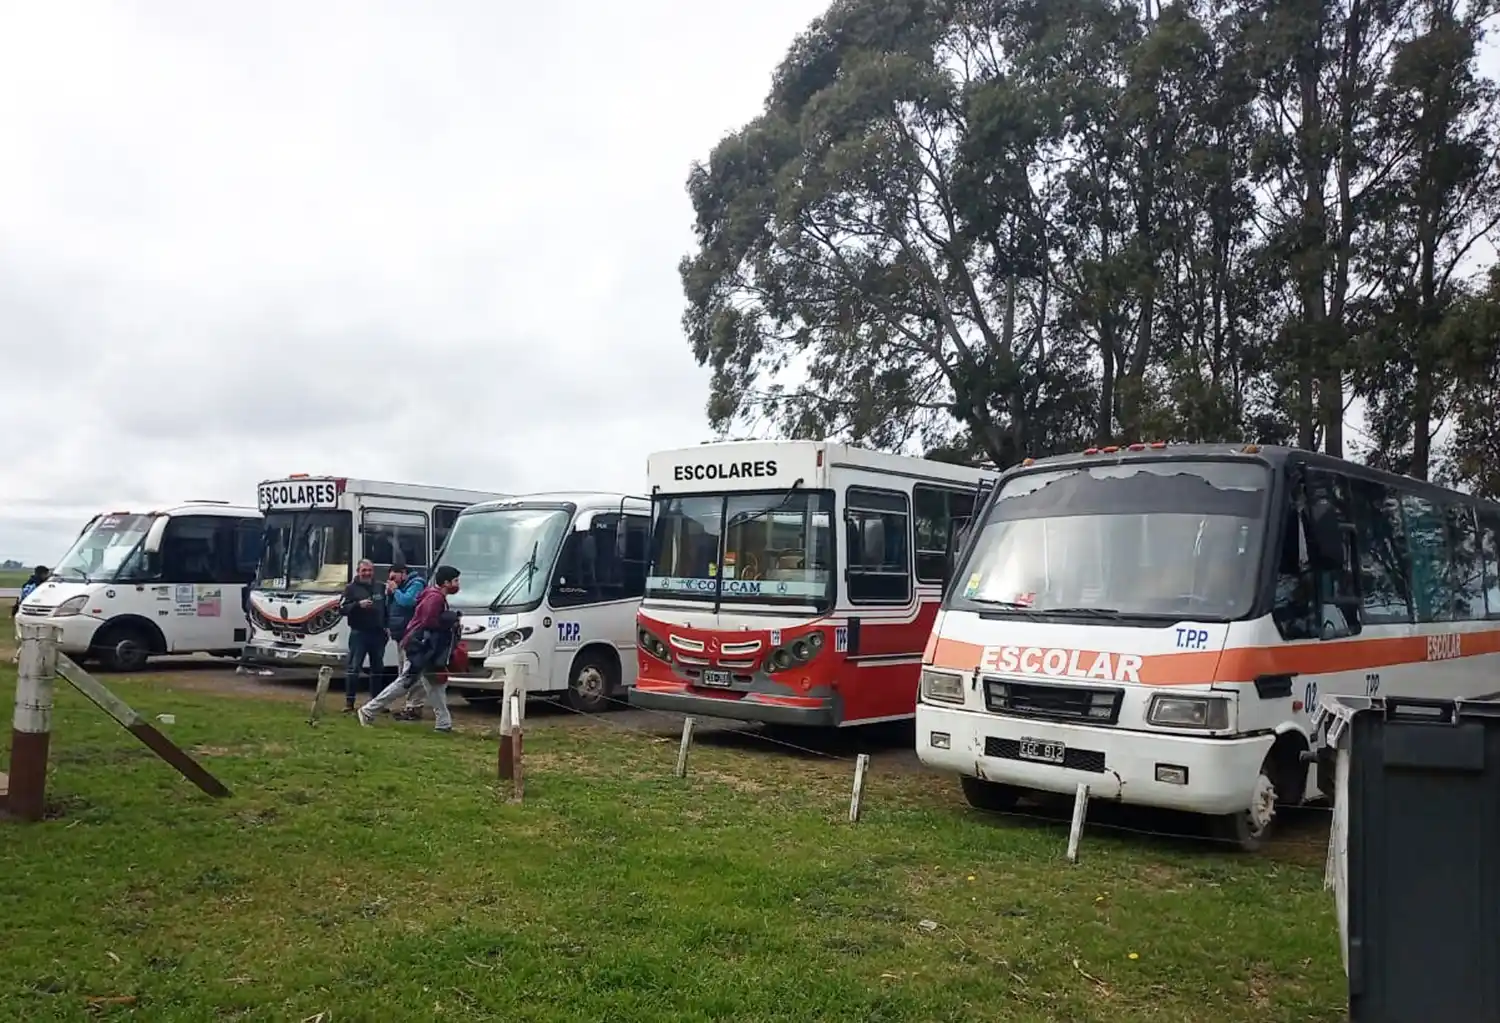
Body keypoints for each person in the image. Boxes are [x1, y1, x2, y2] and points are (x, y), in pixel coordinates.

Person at [359, 566, 461, 733]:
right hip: (421, 647)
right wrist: (448, 621)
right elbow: (429, 622)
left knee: (435, 684)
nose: (457, 584)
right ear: (446, 582)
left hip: (422, 646)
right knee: (405, 683)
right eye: (455, 581)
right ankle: (368, 710)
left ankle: (444, 723)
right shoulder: (435, 599)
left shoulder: (433, 595)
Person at [340, 559, 387, 713]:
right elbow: (341, 608)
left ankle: (376, 704)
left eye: (369, 570)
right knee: (354, 668)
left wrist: (387, 626)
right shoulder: (350, 589)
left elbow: (387, 607)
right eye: (364, 570)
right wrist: (357, 605)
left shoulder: (380, 587)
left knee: (378, 669)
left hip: (378, 633)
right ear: (358, 571)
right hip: (359, 633)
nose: (367, 573)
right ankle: (349, 703)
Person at [384, 561, 429, 722]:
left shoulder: (416, 584)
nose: (392, 581)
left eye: (394, 577)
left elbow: (408, 602)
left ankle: (415, 706)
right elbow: (391, 608)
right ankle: (409, 706)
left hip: (411, 635)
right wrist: (389, 594)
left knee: (411, 672)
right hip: (400, 635)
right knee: (404, 671)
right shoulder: (400, 587)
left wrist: (395, 591)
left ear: (403, 573)